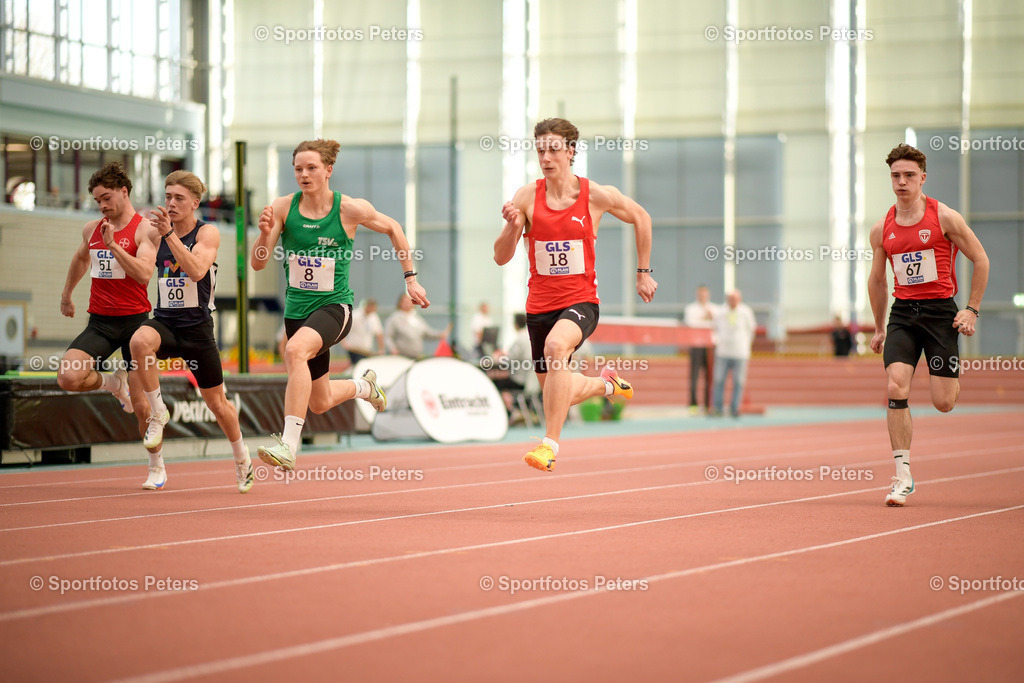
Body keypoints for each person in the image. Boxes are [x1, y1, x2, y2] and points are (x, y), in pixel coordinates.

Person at [251, 139, 431, 470]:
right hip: (297, 311)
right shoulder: (281, 207)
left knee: (294, 352)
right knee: (319, 402)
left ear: (328, 170)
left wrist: (410, 279)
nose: (304, 175)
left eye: (311, 168)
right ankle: (364, 386)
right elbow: (258, 264)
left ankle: (289, 446)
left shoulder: (348, 208)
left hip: (335, 307)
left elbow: (393, 227)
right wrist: (263, 236)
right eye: (298, 169)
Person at [494, 117, 657, 472]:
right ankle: (606, 384)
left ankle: (548, 444)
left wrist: (643, 273)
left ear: (570, 152)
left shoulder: (595, 195)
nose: (546, 157)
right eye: (540, 150)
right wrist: (513, 226)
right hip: (539, 307)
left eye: (553, 149)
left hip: (581, 302)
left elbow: (642, 217)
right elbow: (501, 257)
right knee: (555, 386)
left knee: (556, 350)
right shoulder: (526, 197)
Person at [868, 143, 989, 507]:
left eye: (908, 175)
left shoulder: (945, 217)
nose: (901, 182)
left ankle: (948, 376)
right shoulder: (881, 229)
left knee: (943, 402)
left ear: (923, 177)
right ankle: (902, 476)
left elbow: (980, 259)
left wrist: (971, 309)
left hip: (940, 314)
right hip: (904, 314)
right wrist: (878, 328)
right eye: (895, 176)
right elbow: (877, 281)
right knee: (896, 384)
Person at [129, 171, 254, 493]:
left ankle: (241, 457)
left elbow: (197, 270)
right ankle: (158, 424)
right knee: (140, 340)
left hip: (197, 329)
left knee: (218, 404)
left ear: (195, 203)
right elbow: (141, 269)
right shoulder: (154, 235)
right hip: (167, 324)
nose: (171, 203)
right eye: (168, 196)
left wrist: (170, 235)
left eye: (179, 198)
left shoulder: (207, 233)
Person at [56, 162, 163, 488]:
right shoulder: (92, 229)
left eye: (106, 197)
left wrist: (115, 245)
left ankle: (156, 466)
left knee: (142, 402)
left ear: (124, 191)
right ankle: (112, 385)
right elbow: (80, 258)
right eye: (97, 200)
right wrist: (67, 295)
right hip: (101, 322)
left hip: (135, 325)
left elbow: (144, 274)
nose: (102, 205)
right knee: (68, 377)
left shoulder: (145, 229)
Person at [711, 290, 757, 418]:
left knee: (739, 381)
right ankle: (718, 408)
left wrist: (746, 346)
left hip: (740, 352)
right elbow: (714, 328)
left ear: (739, 299)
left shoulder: (746, 312)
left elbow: (751, 330)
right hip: (723, 351)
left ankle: (735, 408)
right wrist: (718, 341)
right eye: (730, 299)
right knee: (719, 379)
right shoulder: (720, 312)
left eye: (735, 299)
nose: (732, 301)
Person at [683, 284, 717, 413]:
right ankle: (693, 404)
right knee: (694, 376)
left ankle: (709, 404)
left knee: (710, 377)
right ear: (697, 295)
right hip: (696, 345)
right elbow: (691, 324)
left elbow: (717, 325)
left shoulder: (714, 309)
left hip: (710, 346)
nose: (703, 297)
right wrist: (704, 318)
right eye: (701, 294)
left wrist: (710, 317)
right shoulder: (691, 309)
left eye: (705, 294)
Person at [384, 292, 448, 359]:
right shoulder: (394, 319)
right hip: (400, 357)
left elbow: (427, 332)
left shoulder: (417, 318)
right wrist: (392, 349)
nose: (408, 304)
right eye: (405, 301)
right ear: (400, 303)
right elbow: (388, 336)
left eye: (410, 301)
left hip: (416, 356)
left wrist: (440, 334)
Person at [342, 298, 385, 365]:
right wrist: (344, 343)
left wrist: (381, 349)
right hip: (355, 349)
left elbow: (379, 333)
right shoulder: (356, 315)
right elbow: (344, 329)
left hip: (367, 350)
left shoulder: (374, 317)